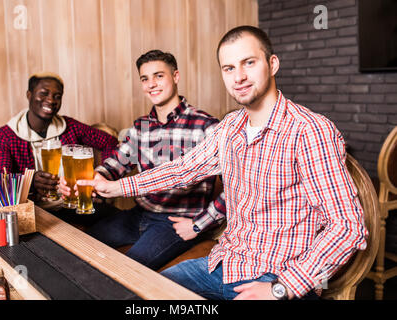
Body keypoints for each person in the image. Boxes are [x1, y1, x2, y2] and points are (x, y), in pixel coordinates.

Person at [77, 26, 368, 300]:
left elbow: (348, 226)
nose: (238, 76)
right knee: (141, 293)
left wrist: (283, 287)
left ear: (273, 64)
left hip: (277, 273)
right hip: (224, 264)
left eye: (249, 63)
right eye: (229, 68)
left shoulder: (309, 130)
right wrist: (115, 188)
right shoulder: (230, 127)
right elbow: (181, 170)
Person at [60, 50, 226, 270]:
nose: (151, 84)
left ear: (175, 76)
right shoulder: (141, 126)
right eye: (145, 78)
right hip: (140, 214)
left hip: (175, 222)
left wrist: (199, 224)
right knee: (78, 246)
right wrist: (93, 179)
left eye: (159, 76)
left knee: (127, 270)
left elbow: (236, 186)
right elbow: (117, 163)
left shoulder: (206, 125)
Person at [0, 71, 118, 202]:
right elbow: (1, 185)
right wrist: (30, 182)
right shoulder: (4, 136)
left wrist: (101, 174)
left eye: (57, 96)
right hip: (34, 211)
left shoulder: (70, 127)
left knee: (120, 218)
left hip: (72, 205)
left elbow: (111, 142)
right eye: (44, 93)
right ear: (29, 95)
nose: (51, 100)